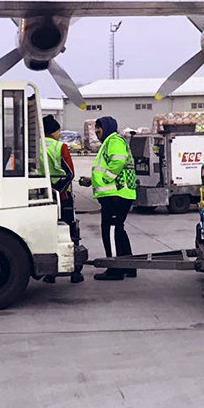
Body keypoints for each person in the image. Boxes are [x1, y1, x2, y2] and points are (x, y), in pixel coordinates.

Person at [78, 116, 137, 280]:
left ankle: (115, 269)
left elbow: (117, 162)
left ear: (108, 127)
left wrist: (105, 179)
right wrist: (92, 181)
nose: (97, 131)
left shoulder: (114, 140)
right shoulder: (110, 142)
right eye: (95, 128)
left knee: (110, 230)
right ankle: (129, 266)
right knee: (118, 229)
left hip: (116, 194)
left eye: (99, 128)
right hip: (118, 194)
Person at [41, 115, 83, 284]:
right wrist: (58, 191)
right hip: (62, 196)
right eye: (58, 130)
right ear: (53, 132)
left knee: (48, 233)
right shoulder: (60, 147)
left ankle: (50, 273)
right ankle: (74, 272)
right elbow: (69, 174)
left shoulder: (34, 146)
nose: (60, 133)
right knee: (70, 234)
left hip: (42, 197)